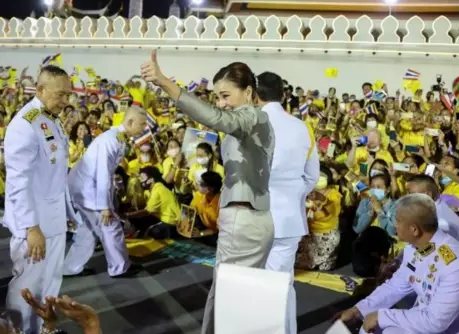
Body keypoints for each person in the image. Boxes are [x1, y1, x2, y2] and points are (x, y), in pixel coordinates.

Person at [141, 51, 275, 334]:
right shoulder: (251, 123)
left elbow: (219, 120)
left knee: (230, 302)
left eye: (226, 95)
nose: (221, 103)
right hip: (245, 219)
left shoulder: (252, 117)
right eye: (217, 97)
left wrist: (165, 83)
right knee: (228, 298)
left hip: (244, 221)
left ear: (249, 91)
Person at [336, 194, 459, 333]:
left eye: (398, 220)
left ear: (414, 229)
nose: (394, 225)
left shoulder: (458, 265)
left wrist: (381, 316)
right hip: (435, 321)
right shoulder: (413, 249)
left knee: (382, 325)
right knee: (378, 328)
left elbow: (435, 322)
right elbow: (396, 286)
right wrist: (358, 310)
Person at [3, 65, 77, 332]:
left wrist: (67, 212)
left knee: (51, 280)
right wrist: (31, 228)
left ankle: (43, 327)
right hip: (34, 223)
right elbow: (17, 183)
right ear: (41, 89)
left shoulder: (50, 118)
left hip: (53, 219)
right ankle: (18, 328)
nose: (65, 101)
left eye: (68, 95)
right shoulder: (26, 124)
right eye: (61, 95)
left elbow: (56, 173)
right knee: (28, 283)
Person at [256, 71, 319, 334]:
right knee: (283, 281)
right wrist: (292, 195)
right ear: (284, 95)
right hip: (288, 218)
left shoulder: (248, 125)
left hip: (253, 216)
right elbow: (312, 176)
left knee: (256, 283)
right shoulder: (303, 127)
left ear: (254, 94)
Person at [62, 106, 148, 278]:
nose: (144, 128)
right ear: (130, 122)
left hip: (84, 186)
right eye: (142, 124)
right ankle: (119, 267)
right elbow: (103, 173)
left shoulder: (118, 137)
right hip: (87, 189)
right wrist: (104, 207)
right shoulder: (111, 139)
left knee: (89, 230)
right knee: (110, 226)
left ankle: (71, 267)